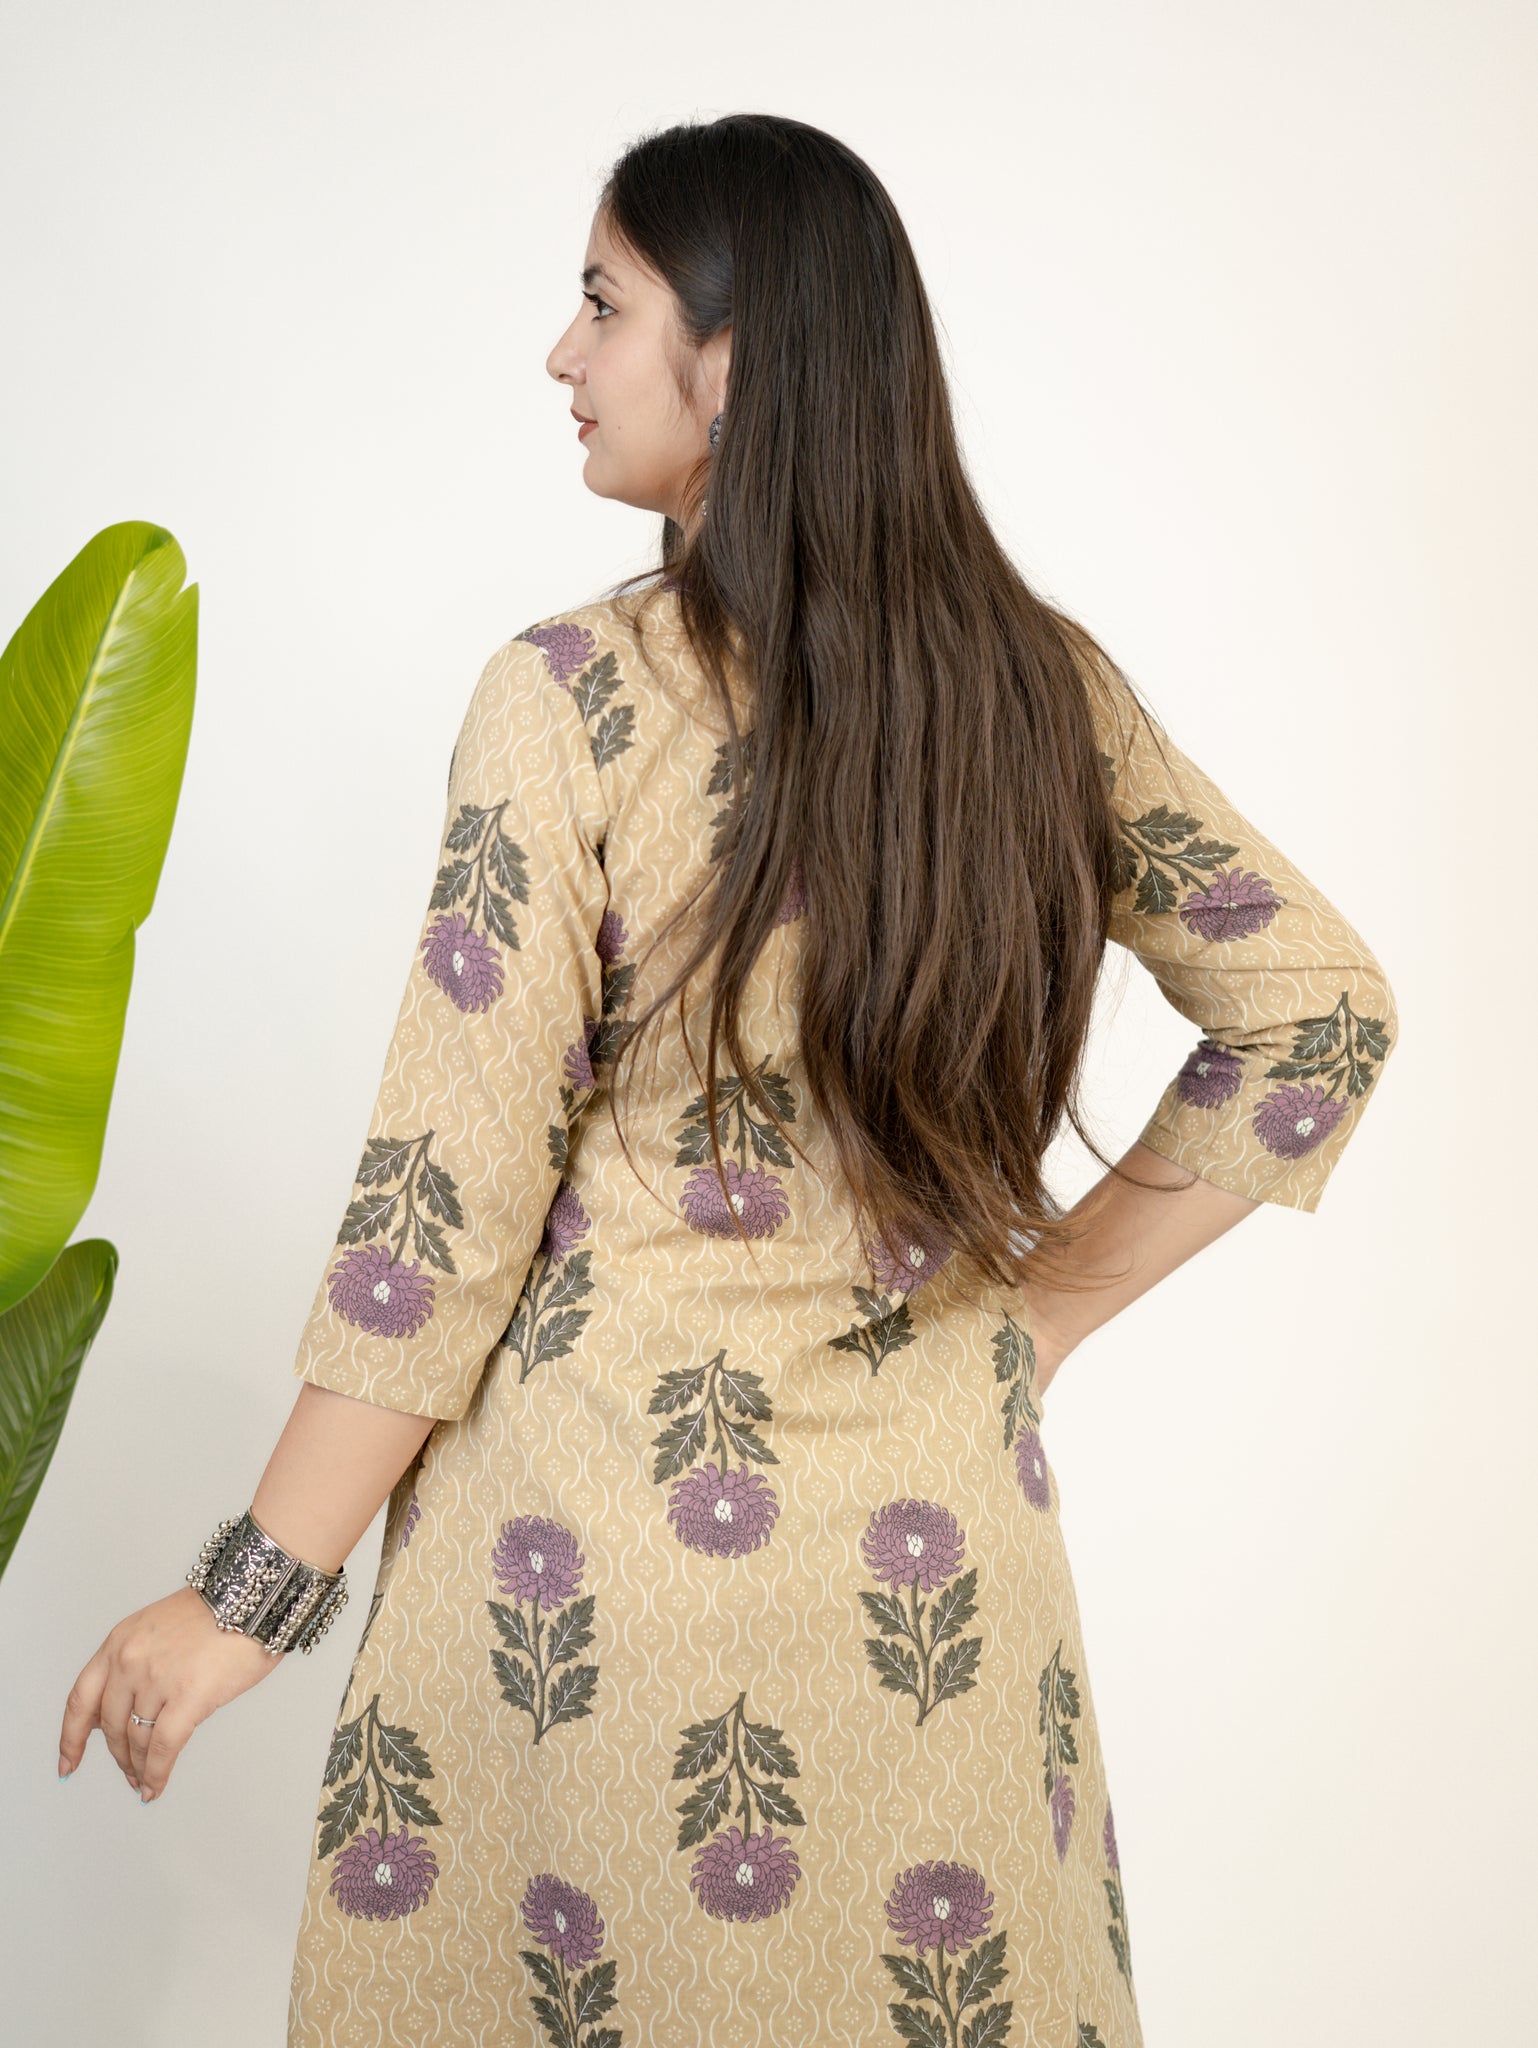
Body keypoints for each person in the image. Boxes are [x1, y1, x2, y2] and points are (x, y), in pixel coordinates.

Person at [58, 114, 1398, 2048]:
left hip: (584, 1594)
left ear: (733, 364)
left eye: (602, 306)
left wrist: (244, 1598)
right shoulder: (1039, 695)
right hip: (930, 1600)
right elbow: (1318, 1013)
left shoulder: (570, 698)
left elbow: (440, 1214)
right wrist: (1028, 1324)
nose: (562, 353)